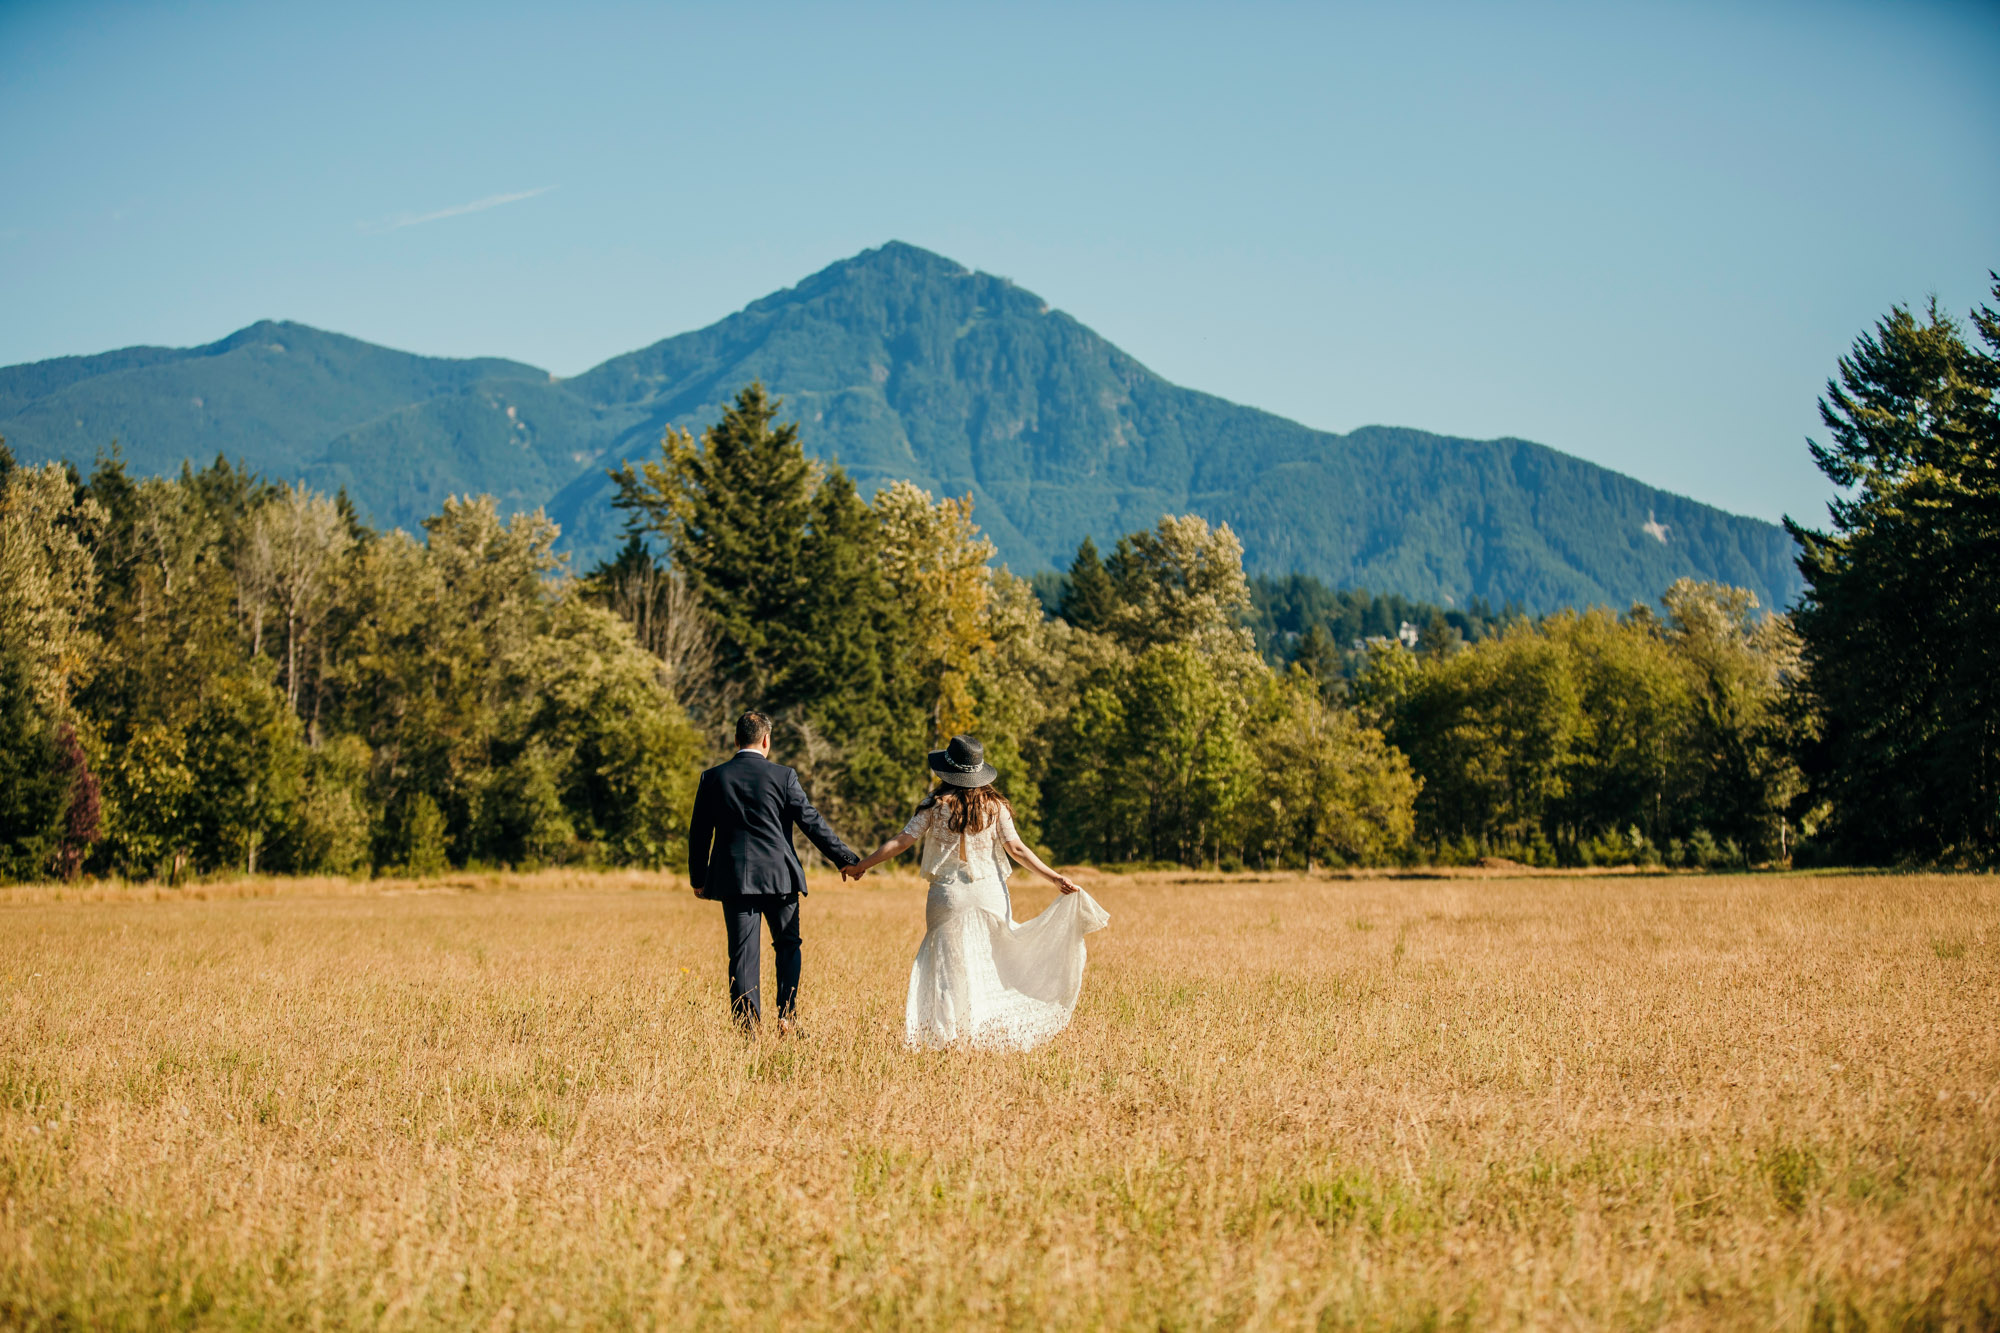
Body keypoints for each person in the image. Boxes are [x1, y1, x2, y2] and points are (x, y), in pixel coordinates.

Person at [843, 734, 1109, 1050]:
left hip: (948, 895)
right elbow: (1018, 850)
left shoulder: (935, 805)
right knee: (993, 960)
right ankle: (988, 1031)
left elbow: (903, 840)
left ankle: (947, 1038)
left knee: (946, 965)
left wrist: (863, 865)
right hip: (990, 893)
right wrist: (1054, 878)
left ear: (947, 771)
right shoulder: (996, 807)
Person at [688, 711, 860, 1033]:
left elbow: (699, 834)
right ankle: (787, 1017)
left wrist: (699, 879)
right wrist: (844, 859)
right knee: (788, 945)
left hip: (734, 880)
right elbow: (811, 821)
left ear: (736, 739)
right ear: (766, 740)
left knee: (742, 954)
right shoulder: (783, 777)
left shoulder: (712, 778)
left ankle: (748, 1030)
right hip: (780, 878)